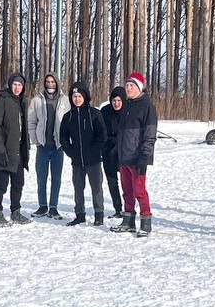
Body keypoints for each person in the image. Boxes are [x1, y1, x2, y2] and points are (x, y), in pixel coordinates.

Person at [111, 72, 158, 237]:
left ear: (139, 87)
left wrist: (145, 155)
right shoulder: (127, 106)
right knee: (127, 191)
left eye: (132, 85)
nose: (128, 88)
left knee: (139, 191)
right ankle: (128, 220)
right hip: (124, 158)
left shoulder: (147, 106)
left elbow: (150, 134)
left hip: (138, 158)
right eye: (127, 85)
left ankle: (146, 222)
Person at [0, 72, 33, 227]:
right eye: (14, 84)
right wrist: (0, 150)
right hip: (5, 151)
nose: (17, 88)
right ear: (9, 84)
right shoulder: (1, 101)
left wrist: (26, 147)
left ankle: (16, 211)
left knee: (18, 183)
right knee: (1, 184)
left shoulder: (23, 101)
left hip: (19, 151)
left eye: (20, 85)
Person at [60, 81, 108, 226]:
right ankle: (79, 214)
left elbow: (102, 135)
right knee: (78, 188)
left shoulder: (94, 114)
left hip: (93, 160)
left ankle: (99, 214)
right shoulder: (68, 117)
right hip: (77, 161)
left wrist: (95, 150)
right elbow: (63, 137)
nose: (77, 99)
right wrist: (70, 152)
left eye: (80, 96)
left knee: (96, 188)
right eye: (74, 96)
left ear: (85, 97)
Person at [28, 72, 70, 217]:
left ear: (57, 83)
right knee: (41, 177)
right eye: (48, 82)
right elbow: (31, 122)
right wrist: (36, 140)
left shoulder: (65, 101)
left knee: (56, 178)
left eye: (53, 82)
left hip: (58, 147)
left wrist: (66, 141)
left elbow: (68, 123)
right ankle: (42, 206)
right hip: (43, 146)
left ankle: (53, 207)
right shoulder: (37, 101)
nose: (50, 84)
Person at [99, 86, 127, 219]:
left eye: (119, 101)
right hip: (108, 152)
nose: (116, 103)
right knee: (112, 182)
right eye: (114, 100)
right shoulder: (104, 112)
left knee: (126, 182)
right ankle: (117, 208)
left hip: (124, 152)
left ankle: (128, 208)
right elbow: (100, 132)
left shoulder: (128, 112)